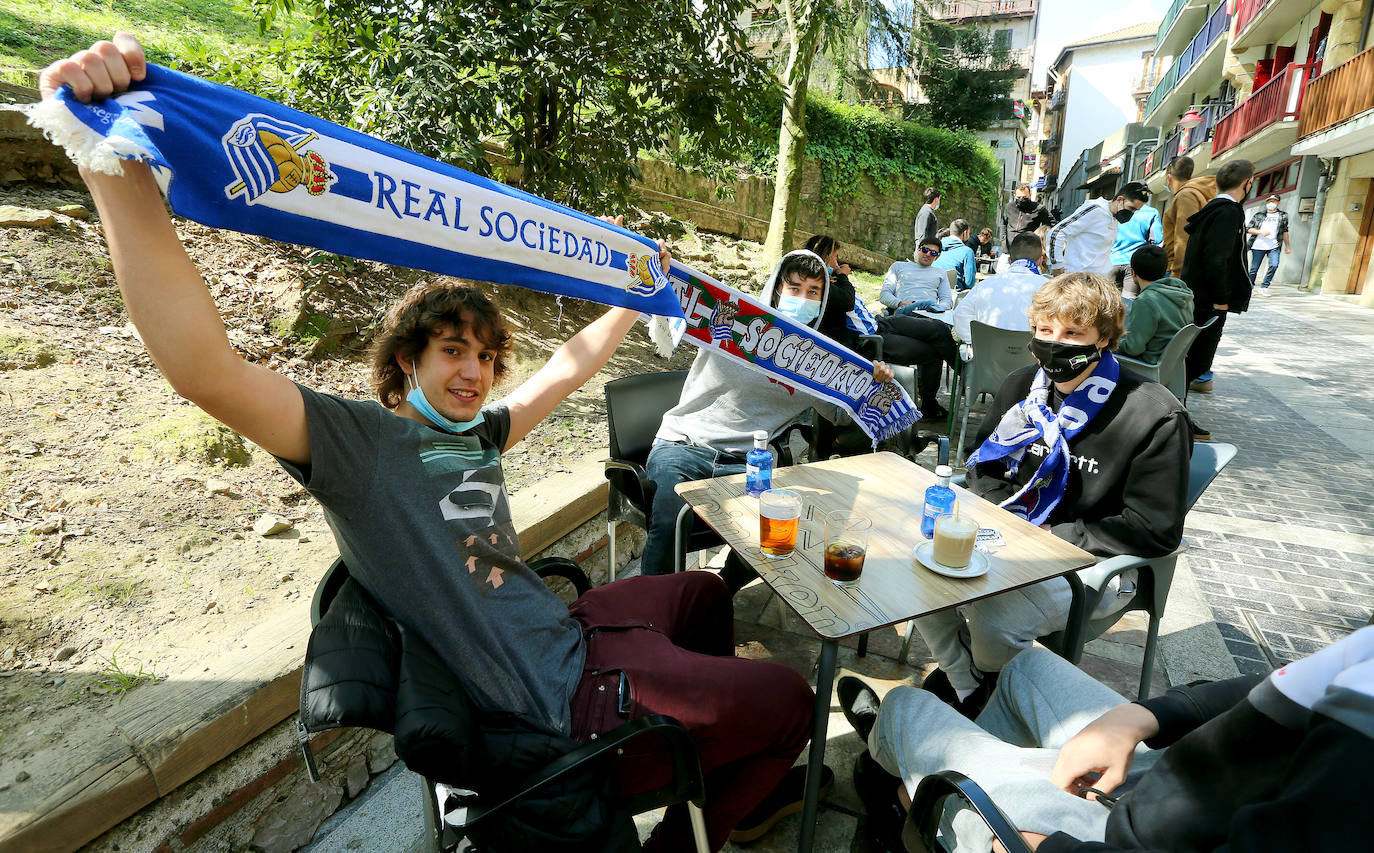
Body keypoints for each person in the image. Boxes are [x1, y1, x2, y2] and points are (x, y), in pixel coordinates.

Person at [43, 36, 820, 852]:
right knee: (791, 703)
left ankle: (696, 767)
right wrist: (111, 159)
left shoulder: (479, 432)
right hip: (553, 697)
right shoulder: (360, 445)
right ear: (406, 361)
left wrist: (636, 291)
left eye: (485, 357)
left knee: (703, 598)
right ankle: (683, 803)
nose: (474, 373)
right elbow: (207, 370)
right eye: (453, 351)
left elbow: (564, 371)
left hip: (566, 628)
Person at [914, 272, 1191, 717]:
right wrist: (1006, 521)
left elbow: (1152, 529)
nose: (1054, 344)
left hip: (1094, 562)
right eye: (1045, 331)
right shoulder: (1022, 386)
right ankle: (973, 689)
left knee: (994, 620)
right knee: (921, 578)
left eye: (1072, 333)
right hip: (1011, 536)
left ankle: (982, 693)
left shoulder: (1152, 414)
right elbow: (984, 465)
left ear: (1104, 338)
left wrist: (1047, 533)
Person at [841, 626, 1374, 853]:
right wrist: (1143, 716)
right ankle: (942, 778)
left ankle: (901, 787)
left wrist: (1054, 850)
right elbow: (1280, 685)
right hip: (1178, 779)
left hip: (1117, 840)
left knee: (907, 709)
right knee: (1026, 664)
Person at [642, 249, 893, 582]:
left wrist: (871, 385)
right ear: (777, 288)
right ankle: (651, 616)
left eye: (813, 292)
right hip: (683, 445)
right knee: (670, 520)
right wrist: (658, 271)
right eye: (795, 289)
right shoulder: (733, 317)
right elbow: (664, 310)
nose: (803, 298)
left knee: (781, 528)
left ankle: (716, 594)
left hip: (749, 463)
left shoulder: (817, 360)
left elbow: (841, 414)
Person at [1180, 158, 1254, 430]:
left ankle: (1178, 414)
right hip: (1209, 301)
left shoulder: (1213, 208)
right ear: (1247, 183)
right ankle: (1177, 417)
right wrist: (1221, 299)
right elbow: (1217, 258)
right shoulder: (1228, 212)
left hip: (1197, 296)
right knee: (1196, 361)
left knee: (1191, 361)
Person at [950, 232, 1047, 346]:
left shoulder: (984, 286)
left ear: (1010, 260)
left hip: (988, 359)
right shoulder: (1049, 288)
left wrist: (979, 342)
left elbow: (959, 316)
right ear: (1040, 260)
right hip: (1035, 358)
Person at [1046, 183, 1147, 278]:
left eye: (1135, 210)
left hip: (1098, 281)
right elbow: (1057, 233)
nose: (1131, 213)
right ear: (1120, 199)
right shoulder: (1096, 210)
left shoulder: (1113, 217)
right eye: (1131, 208)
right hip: (1078, 281)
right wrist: (1057, 266)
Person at [1117, 244, 1193, 365]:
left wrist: (1111, 341)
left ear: (1133, 273)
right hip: (1170, 362)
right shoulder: (1182, 292)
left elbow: (1133, 348)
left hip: (1148, 363)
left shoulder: (1146, 301)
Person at [1159, 156, 1217, 276]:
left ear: (1169, 177)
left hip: (1179, 269)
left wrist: (1178, 275)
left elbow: (1183, 239)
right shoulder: (1192, 193)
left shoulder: (1186, 196)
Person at [1108, 186, 1162, 297]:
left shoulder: (1117, 209)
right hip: (1133, 265)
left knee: (1109, 302)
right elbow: (1157, 240)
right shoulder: (1152, 213)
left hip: (1111, 262)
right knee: (1129, 302)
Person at [880, 238, 954, 315]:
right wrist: (900, 303)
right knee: (929, 303)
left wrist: (937, 308)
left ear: (937, 257)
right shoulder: (898, 266)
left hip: (930, 314)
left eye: (933, 253)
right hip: (904, 311)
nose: (928, 254)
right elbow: (884, 295)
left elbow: (947, 300)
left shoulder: (941, 273)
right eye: (925, 250)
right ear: (918, 250)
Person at [1246, 193, 1291, 297]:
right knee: (1254, 269)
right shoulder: (1259, 215)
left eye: (1274, 201)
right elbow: (1248, 229)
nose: (1271, 203)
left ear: (1278, 203)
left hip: (1274, 245)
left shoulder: (1283, 215)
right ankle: (1249, 286)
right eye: (1269, 201)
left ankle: (1264, 287)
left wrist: (1288, 246)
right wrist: (1260, 232)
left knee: (1274, 265)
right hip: (1258, 246)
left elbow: (1285, 231)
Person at [1002, 182, 1053, 249]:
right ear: (1014, 195)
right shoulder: (1009, 207)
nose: (1021, 199)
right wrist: (1003, 240)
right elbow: (1004, 224)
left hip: (1027, 249)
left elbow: (1050, 225)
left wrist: (1041, 241)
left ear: (1030, 195)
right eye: (1019, 197)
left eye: (1024, 197)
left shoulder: (1039, 209)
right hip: (1008, 249)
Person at [934, 219, 978, 292]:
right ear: (965, 233)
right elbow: (969, 283)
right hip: (954, 296)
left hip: (933, 292)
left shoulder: (935, 247)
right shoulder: (967, 252)